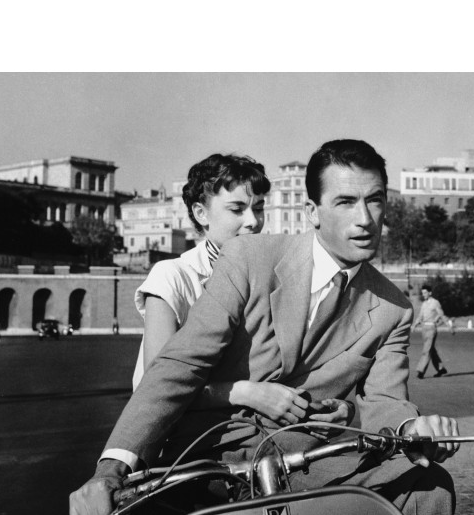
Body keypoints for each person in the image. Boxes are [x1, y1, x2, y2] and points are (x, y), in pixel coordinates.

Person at [70, 139, 462, 515]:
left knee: (429, 488)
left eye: (375, 200)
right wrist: (111, 468)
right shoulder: (250, 257)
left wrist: (412, 426)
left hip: (312, 462)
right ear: (313, 211)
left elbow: (386, 402)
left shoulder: (394, 307)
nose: (364, 218)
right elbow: (180, 364)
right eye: (345, 202)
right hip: (209, 455)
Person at [132, 153, 352, 428]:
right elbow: (156, 387)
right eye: (237, 209)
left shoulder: (274, 274)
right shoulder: (172, 275)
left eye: (258, 208)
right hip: (176, 440)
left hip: (250, 437)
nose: (253, 221)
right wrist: (248, 393)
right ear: (201, 213)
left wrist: (333, 405)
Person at [414, 284, 454, 379]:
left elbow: (442, 315)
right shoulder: (424, 304)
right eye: (422, 293)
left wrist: (449, 326)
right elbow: (420, 316)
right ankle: (440, 369)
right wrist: (415, 324)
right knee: (431, 350)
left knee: (426, 350)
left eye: (425, 293)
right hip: (424, 329)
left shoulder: (435, 303)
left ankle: (421, 371)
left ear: (430, 293)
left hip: (431, 328)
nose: (423, 294)